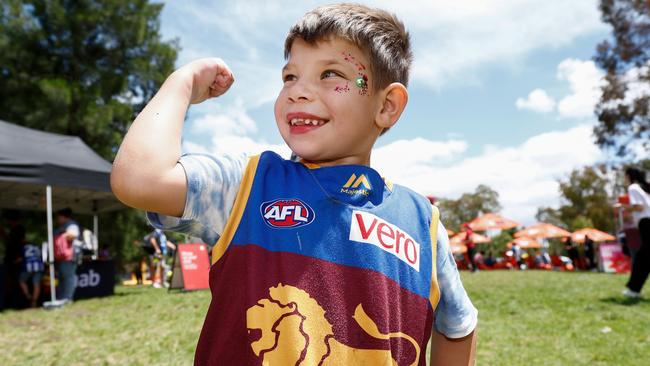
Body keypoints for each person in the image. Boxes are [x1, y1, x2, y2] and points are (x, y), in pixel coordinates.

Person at [111, 4, 477, 365]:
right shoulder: (248, 185)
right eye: (290, 77)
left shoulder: (423, 223)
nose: (298, 91)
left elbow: (458, 324)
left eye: (331, 73)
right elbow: (139, 179)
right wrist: (182, 83)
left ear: (387, 106)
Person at [623, 167, 650, 298]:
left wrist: (623, 207)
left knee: (643, 257)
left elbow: (639, 207)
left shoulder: (633, 187)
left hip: (647, 223)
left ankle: (634, 289)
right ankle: (634, 289)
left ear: (628, 176)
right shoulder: (644, 188)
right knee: (644, 257)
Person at [53, 208, 80, 302]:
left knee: (68, 278)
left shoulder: (71, 225)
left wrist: (64, 235)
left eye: (58, 217)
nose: (57, 219)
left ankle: (67, 299)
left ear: (63, 216)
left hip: (69, 257)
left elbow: (74, 235)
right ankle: (61, 298)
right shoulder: (62, 226)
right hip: (61, 257)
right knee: (62, 278)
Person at [18, 237, 44, 308]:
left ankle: (28, 296)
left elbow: (20, 258)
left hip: (28, 267)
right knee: (36, 284)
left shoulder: (24, 247)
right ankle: (34, 301)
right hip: (39, 266)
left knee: (21, 281)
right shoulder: (37, 247)